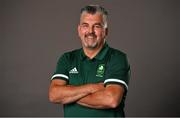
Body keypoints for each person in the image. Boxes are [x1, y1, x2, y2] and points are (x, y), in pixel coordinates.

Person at [49, 5, 130, 117]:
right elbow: (54, 94)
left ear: (105, 31)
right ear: (79, 30)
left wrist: (69, 94)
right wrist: (93, 88)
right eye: (85, 25)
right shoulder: (67, 58)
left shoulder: (117, 58)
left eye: (96, 26)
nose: (90, 31)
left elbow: (111, 99)